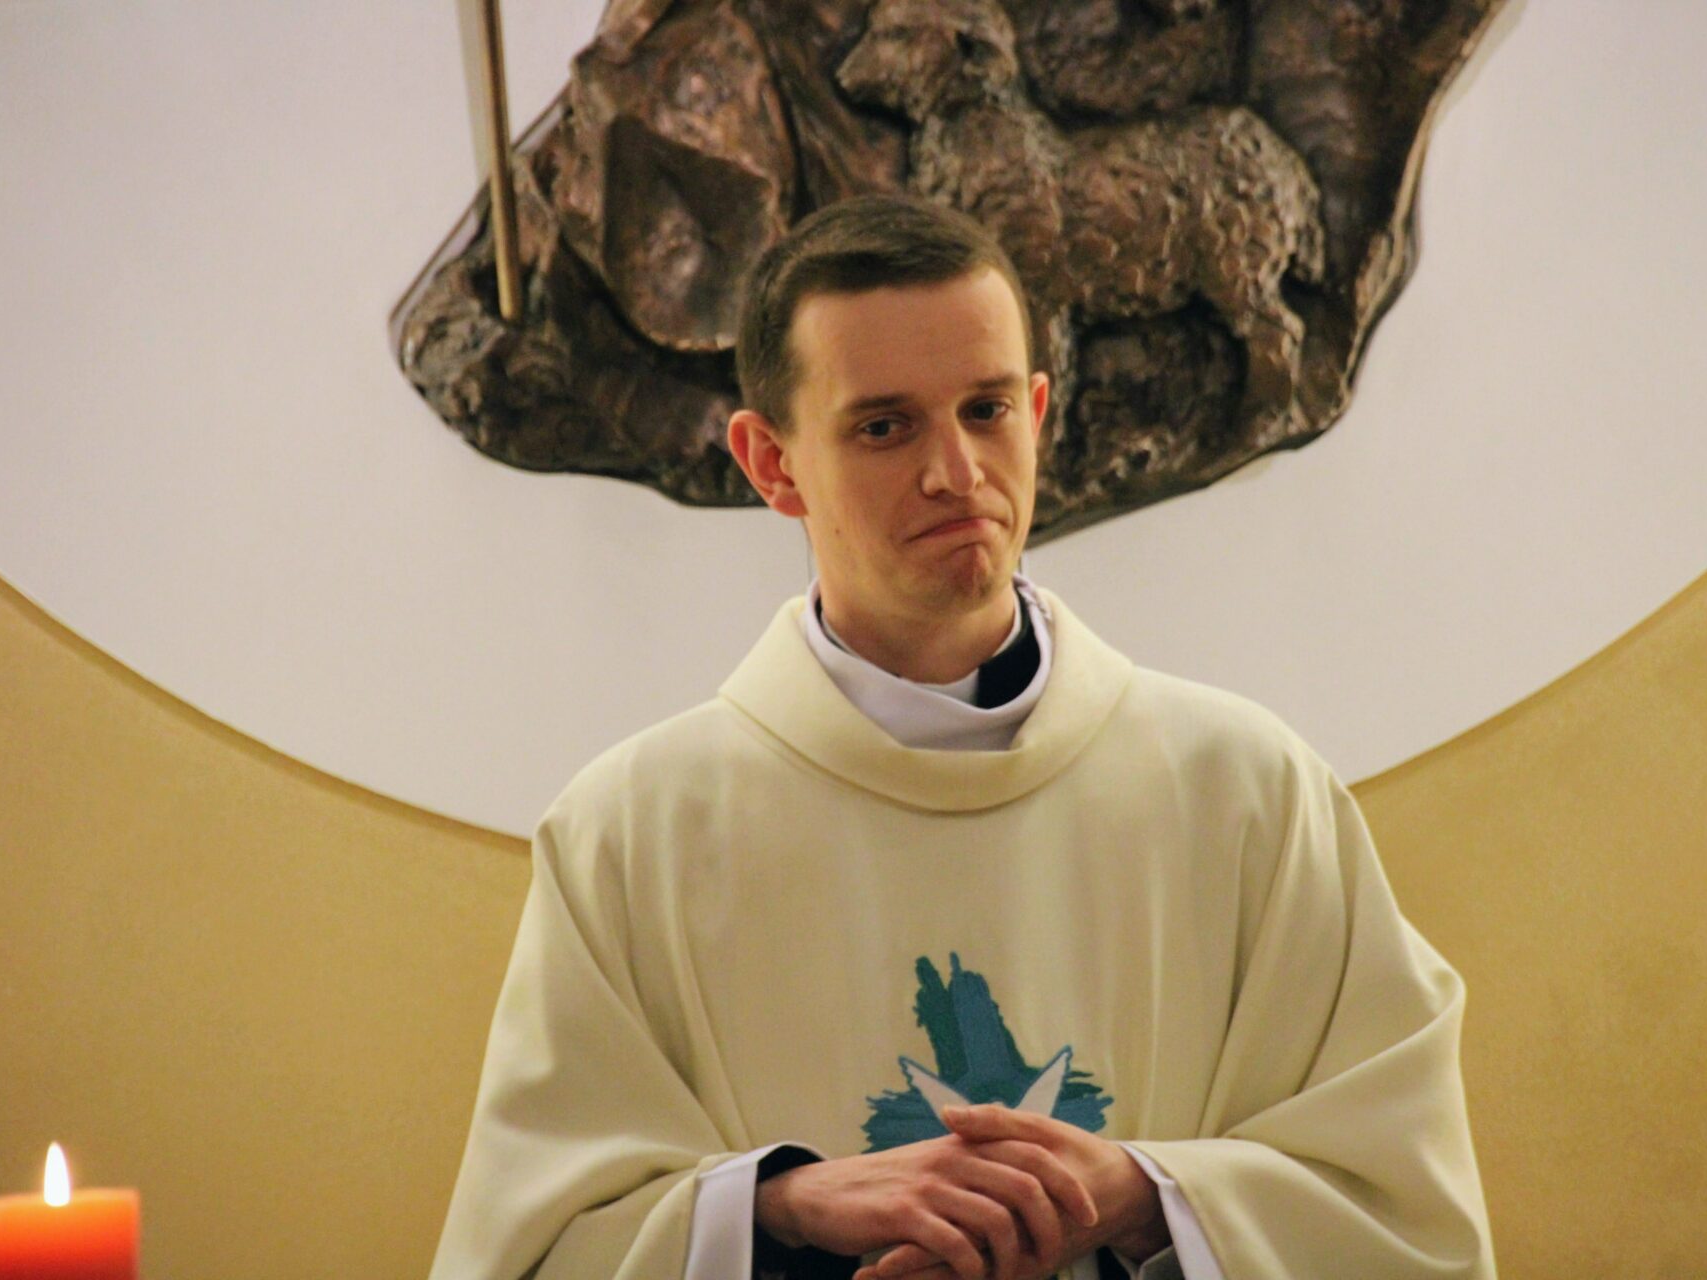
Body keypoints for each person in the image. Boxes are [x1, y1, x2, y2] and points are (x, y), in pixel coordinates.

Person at [429, 194, 1494, 1280]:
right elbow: (530, 1247)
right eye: (884, 427)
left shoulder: (1249, 793)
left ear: (1039, 410)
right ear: (771, 463)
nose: (957, 471)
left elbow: (1406, 1216)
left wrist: (1147, 1199)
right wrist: (776, 1207)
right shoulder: (629, 834)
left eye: (987, 410)